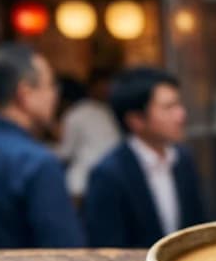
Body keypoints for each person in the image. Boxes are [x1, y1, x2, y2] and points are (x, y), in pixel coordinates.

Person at [83, 67, 207, 248]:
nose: (181, 115)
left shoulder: (183, 159)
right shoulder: (108, 175)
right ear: (136, 120)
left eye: (178, 104)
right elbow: (107, 247)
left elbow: (199, 227)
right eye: (168, 107)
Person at [0, 44, 84, 248]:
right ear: (24, 94)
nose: (55, 95)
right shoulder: (36, 163)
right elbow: (65, 251)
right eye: (50, 85)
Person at [56, 70, 120, 204]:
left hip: (95, 184)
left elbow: (65, 153)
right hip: (86, 184)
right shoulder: (79, 113)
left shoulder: (115, 113)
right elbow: (66, 153)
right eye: (104, 85)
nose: (107, 90)